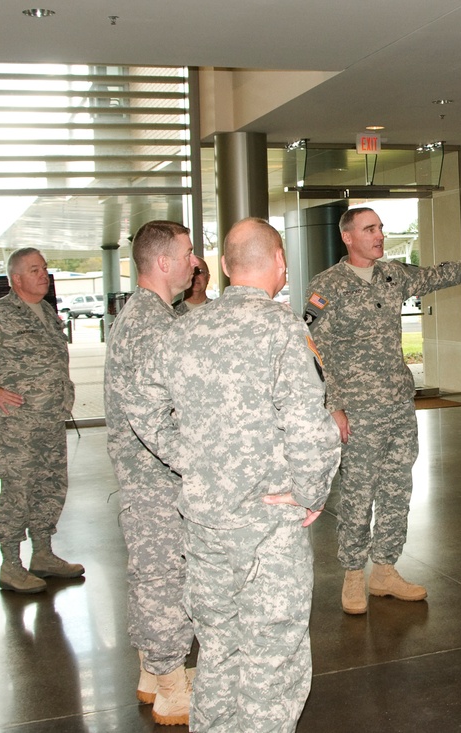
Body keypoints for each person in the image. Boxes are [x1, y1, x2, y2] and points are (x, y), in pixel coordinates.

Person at [127, 217, 340, 732]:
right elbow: (310, 425)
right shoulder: (284, 330)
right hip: (268, 525)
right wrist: (310, 494)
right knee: (272, 653)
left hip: (204, 523)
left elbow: (137, 400)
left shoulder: (184, 328)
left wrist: (189, 460)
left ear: (223, 267)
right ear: (282, 263)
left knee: (219, 648)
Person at [303, 206, 461, 615]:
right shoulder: (327, 285)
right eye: (370, 229)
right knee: (358, 493)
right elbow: (314, 350)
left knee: (397, 487)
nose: (379, 235)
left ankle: (384, 569)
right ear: (348, 237)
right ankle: (352, 575)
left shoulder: (392, 275)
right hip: (359, 409)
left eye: (381, 228)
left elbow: (436, 275)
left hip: (399, 403)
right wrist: (333, 406)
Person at [103, 220, 199, 725]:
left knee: (152, 577)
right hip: (156, 482)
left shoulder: (149, 315)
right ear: (162, 262)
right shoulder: (151, 325)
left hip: (149, 479)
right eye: (187, 253)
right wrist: (204, 462)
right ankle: (169, 688)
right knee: (163, 579)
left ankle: (152, 672)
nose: (195, 262)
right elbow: (156, 419)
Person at [0, 247, 83, 594]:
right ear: (16, 279)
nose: (44, 275)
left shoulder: (46, 311)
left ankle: (43, 555)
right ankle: (11, 565)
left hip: (51, 422)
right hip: (18, 427)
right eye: (35, 270)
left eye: (45, 268)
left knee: (50, 488)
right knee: (18, 493)